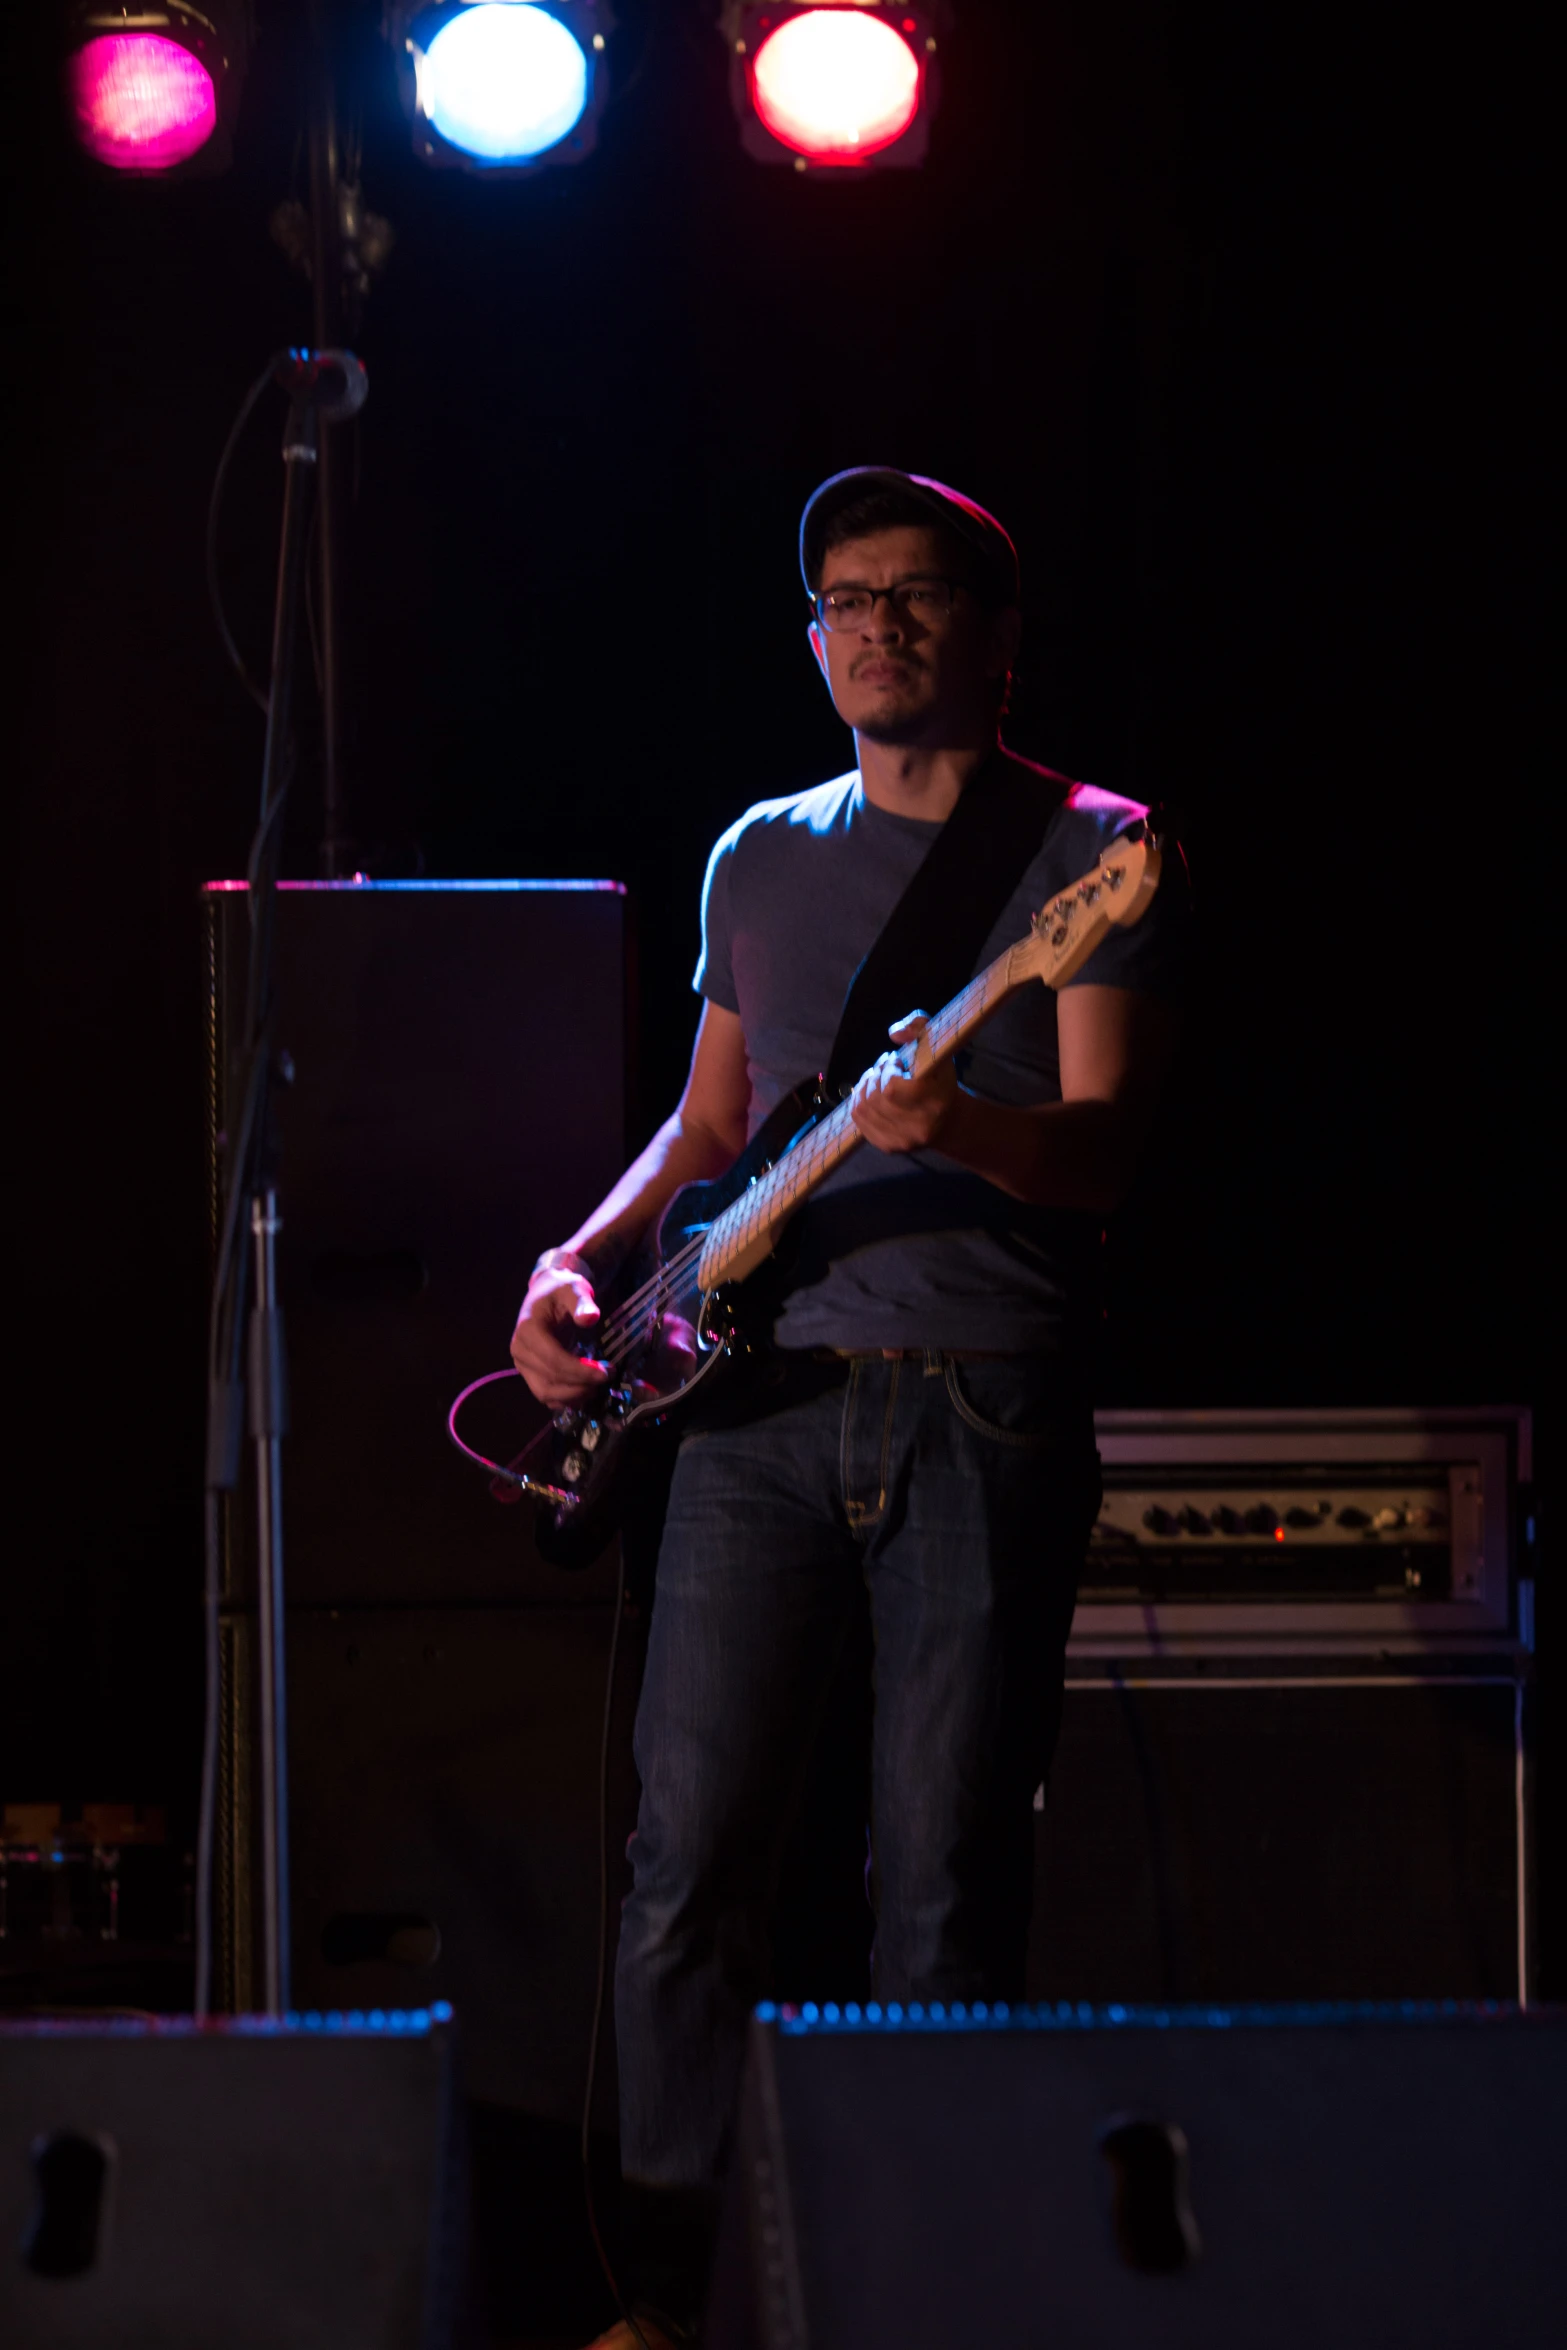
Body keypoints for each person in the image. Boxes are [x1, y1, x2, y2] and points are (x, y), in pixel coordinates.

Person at [511, 467, 1187, 2346]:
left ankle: (924, 2288)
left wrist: (953, 1119)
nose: (873, 621)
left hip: (977, 1401)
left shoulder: (1093, 849)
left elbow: (1109, 1148)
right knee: (682, 1865)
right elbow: (716, 1128)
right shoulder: (758, 852)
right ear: (811, 640)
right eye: (842, 597)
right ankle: (659, 2289)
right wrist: (574, 1261)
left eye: (913, 592)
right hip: (751, 1412)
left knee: (944, 1880)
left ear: (991, 631)